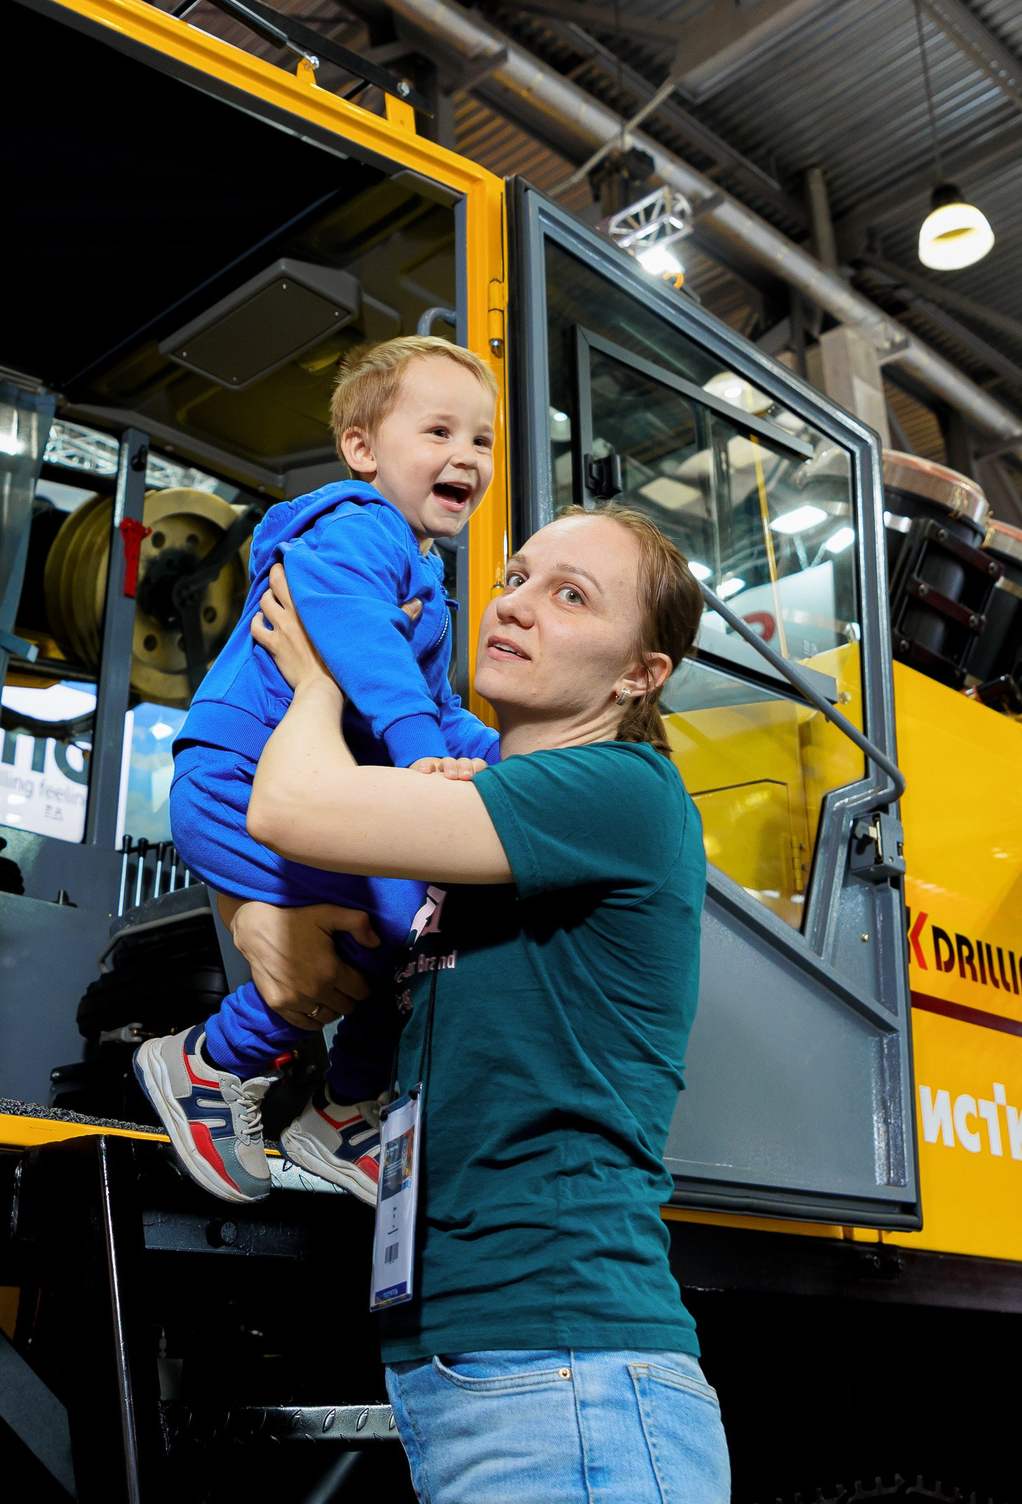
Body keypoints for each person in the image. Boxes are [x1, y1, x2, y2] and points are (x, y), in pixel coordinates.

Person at [243, 505, 729, 1504]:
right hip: (480, 1368)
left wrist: (324, 674)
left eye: (570, 595)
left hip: (569, 1375)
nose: (514, 605)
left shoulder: (624, 789)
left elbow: (290, 808)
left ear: (639, 674)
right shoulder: (497, 814)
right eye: (514, 578)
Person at [132, 336, 504, 1206]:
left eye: (482, 439)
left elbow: (431, 701)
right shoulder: (355, 529)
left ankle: (343, 1104)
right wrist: (419, 751)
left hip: (291, 789)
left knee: (412, 926)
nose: (466, 455)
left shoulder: (422, 570)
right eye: (439, 431)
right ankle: (214, 1064)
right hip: (238, 782)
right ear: (362, 448)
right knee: (407, 921)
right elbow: (362, 642)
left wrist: (503, 762)